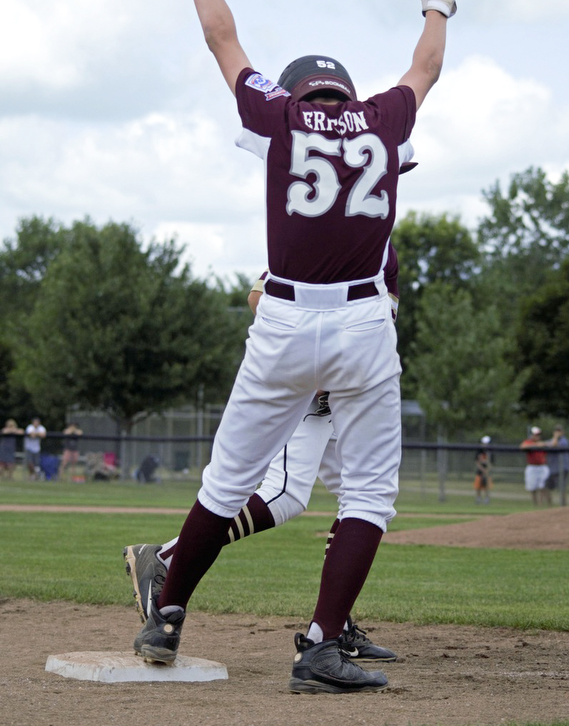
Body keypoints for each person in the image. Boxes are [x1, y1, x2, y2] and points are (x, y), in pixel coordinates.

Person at [131, 0, 466, 694]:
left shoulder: (279, 119)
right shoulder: (383, 121)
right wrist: (439, 4)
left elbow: (223, 39)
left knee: (225, 478)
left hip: (280, 317)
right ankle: (320, 642)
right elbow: (426, 68)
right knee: (371, 491)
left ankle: (166, 614)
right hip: (363, 321)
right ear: (346, 93)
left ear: (298, 91)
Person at [124, 242, 403, 665]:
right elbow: (259, 296)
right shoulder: (327, 238)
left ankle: (337, 623)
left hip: (342, 395)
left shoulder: (385, 252)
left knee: (355, 499)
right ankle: (166, 556)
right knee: (286, 493)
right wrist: (315, 361)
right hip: (305, 389)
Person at [519, 426, 550, 506]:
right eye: (535, 435)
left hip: (542, 467)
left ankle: (543, 504)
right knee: (532, 487)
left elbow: (553, 444)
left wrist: (543, 444)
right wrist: (536, 445)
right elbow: (522, 446)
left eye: (538, 435)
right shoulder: (529, 442)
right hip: (532, 467)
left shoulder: (542, 443)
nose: (537, 436)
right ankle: (535, 504)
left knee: (543, 486)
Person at [545, 424, 569, 504]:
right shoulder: (551, 440)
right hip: (553, 469)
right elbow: (545, 444)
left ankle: (563, 506)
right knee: (546, 486)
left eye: (559, 431)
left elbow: (554, 445)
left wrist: (556, 437)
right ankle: (550, 507)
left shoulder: (564, 440)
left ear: (563, 432)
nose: (558, 433)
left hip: (563, 468)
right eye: (556, 431)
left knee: (561, 488)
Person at [473, 436, 492, 505]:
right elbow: (477, 462)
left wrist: (487, 470)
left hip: (487, 472)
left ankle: (487, 498)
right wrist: (482, 469)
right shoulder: (479, 451)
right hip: (479, 471)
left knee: (486, 486)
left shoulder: (490, 452)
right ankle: (478, 498)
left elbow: (491, 463)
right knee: (478, 486)